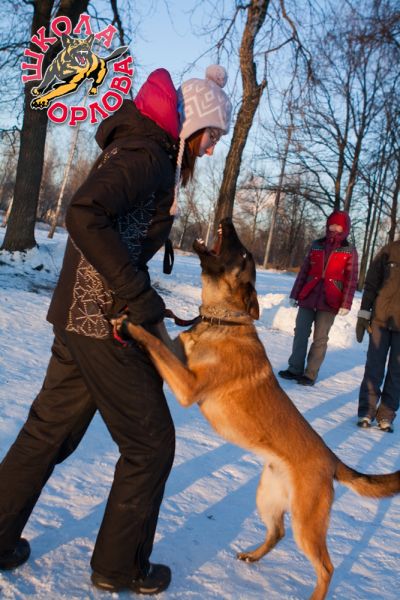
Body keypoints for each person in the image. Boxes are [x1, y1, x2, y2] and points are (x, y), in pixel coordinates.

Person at [0, 64, 232, 594]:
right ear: (192, 123)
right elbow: (85, 213)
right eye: (212, 136)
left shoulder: (145, 146)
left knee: (47, 431)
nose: (211, 149)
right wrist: (136, 292)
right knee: (150, 444)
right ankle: (119, 566)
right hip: (107, 321)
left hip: (81, 314)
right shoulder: (147, 154)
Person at [278, 210, 358, 386]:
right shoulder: (316, 245)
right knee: (300, 332)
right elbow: (304, 271)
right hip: (308, 295)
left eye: (339, 226)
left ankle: (310, 374)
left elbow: (351, 279)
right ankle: (294, 369)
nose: (334, 228)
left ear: (345, 228)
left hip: (331, 300)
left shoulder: (349, 250)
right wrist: (295, 294)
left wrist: (346, 303)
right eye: (332, 224)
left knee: (320, 338)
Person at [356, 239, 400, 433]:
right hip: (380, 320)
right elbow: (372, 282)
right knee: (374, 367)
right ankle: (367, 410)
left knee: (397, 372)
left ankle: (386, 414)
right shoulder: (390, 250)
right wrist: (364, 312)